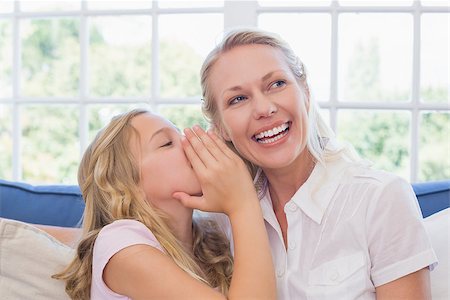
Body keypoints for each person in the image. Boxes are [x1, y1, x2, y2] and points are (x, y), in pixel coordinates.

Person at [196, 28, 438, 299]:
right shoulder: (218, 221)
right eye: (238, 99)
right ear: (220, 128)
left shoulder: (380, 198)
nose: (264, 109)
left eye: (276, 84)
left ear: (306, 93)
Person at [53, 109, 276, 300]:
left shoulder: (208, 237)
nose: (190, 142)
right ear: (127, 186)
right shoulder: (119, 242)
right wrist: (243, 204)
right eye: (167, 143)